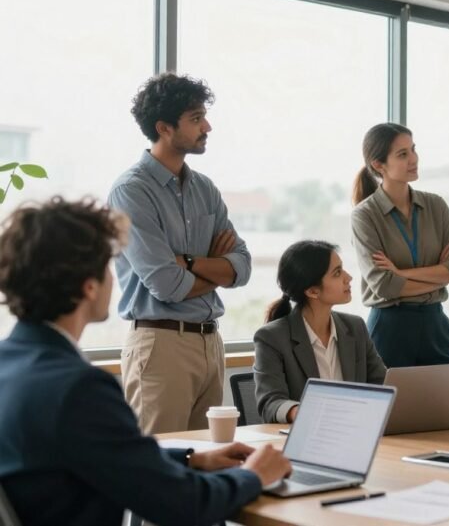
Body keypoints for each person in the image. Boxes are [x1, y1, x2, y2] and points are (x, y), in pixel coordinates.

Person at [0, 198, 291, 526]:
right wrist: (254, 476)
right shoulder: (79, 388)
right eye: (110, 265)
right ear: (90, 286)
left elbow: (98, 455)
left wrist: (192, 459)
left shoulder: (9, 364)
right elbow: (184, 504)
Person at [108, 73, 251, 434]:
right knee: (156, 466)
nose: (208, 126)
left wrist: (187, 263)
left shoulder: (205, 188)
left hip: (210, 342)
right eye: (195, 118)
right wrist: (217, 270)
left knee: (205, 461)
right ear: (164, 128)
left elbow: (243, 267)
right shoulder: (132, 191)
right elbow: (167, 285)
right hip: (160, 344)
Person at [350, 122, 449, 367]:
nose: (414, 159)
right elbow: (384, 286)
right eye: (403, 154)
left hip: (435, 322)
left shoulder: (435, 205)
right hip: (390, 326)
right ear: (378, 165)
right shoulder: (365, 215)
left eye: (413, 150)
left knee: (444, 404)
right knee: (393, 405)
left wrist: (400, 274)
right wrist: (441, 275)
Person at [253, 240, 387, 423]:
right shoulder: (271, 338)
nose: (349, 277)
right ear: (313, 291)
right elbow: (270, 403)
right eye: (337, 273)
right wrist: (301, 411)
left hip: (354, 430)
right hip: (307, 438)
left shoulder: (355, 327)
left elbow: (383, 385)